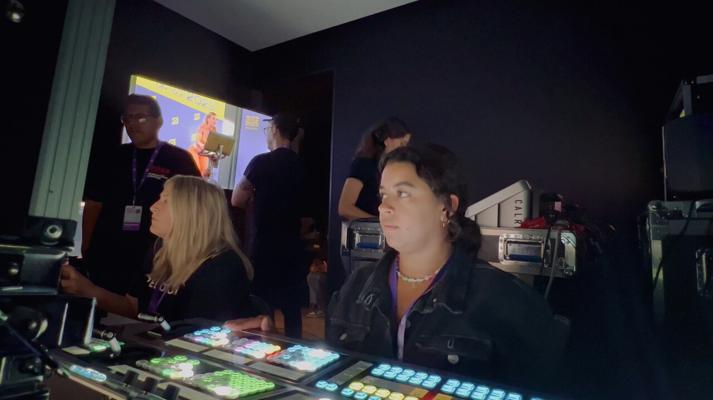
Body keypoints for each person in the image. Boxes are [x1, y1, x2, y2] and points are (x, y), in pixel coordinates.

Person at [225, 144, 568, 390]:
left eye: (402, 193)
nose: (383, 207)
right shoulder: (356, 286)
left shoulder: (505, 300)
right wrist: (277, 350)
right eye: (383, 194)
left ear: (447, 207)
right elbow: (335, 376)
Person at [62, 176, 253, 322]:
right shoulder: (160, 248)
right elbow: (133, 308)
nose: (153, 207)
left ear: (191, 212)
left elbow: (199, 340)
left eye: (165, 201)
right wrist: (86, 289)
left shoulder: (222, 267)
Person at [82, 94, 200, 296]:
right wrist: (86, 245)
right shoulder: (112, 156)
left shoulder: (179, 159)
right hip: (107, 251)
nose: (132, 124)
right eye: (127, 118)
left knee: (140, 307)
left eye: (140, 117)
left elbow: (194, 208)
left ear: (158, 121)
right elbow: (94, 203)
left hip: (153, 255)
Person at [231, 114, 307, 338]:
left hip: (264, 245)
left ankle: (266, 349)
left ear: (274, 129)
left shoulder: (260, 162)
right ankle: (295, 349)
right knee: (292, 309)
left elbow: (236, 199)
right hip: (293, 246)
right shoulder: (301, 164)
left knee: (263, 305)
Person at [338, 117, 411, 276]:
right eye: (402, 143)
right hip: (365, 241)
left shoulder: (390, 169)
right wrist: (379, 222)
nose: (405, 149)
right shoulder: (364, 165)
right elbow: (344, 207)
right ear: (387, 141)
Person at [188, 112, 216, 177]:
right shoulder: (202, 127)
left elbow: (213, 143)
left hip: (204, 152)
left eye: (215, 119)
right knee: (196, 169)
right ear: (208, 119)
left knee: (203, 172)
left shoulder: (214, 130)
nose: (215, 120)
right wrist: (204, 146)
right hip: (195, 150)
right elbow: (198, 141)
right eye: (213, 118)